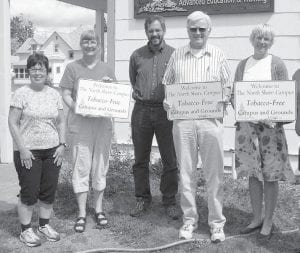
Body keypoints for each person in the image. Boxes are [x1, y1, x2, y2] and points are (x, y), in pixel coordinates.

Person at [162, 11, 231, 242]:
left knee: (215, 174)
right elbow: (167, 83)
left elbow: (228, 86)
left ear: (209, 30)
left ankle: (217, 223)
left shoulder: (219, 55)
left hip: (210, 122)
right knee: (186, 173)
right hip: (183, 122)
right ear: (187, 30)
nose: (198, 33)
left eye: (202, 29)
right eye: (193, 29)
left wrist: (224, 98)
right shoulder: (177, 55)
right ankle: (189, 220)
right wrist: (167, 100)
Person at [234, 24, 294, 240]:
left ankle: (268, 220)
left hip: (270, 130)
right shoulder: (243, 65)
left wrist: (275, 117)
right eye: (258, 38)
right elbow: (236, 95)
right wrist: (242, 109)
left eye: (266, 39)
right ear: (252, 39)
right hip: (247, 129)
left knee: (270, 175)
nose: (262, 42)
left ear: (271, 42)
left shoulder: (277, 64)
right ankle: (256, 217)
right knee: (253, 174)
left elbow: (285, 97)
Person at [60, 30, 116, 233]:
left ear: (98, 45)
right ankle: (82, 212)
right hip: (80, 124)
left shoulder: (107, 69)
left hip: (102, 124)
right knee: (81, 166)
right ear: (81, 45)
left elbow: (115, 98)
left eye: (93, 41)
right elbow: (65, 93)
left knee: (100, 165)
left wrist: (110, 88)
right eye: (85, 41)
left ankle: (99, 209)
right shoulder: (72, 68)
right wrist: (76, 107)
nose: (89, 45)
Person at [8, 53, 65, 247]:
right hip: (28, 152)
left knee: (48, 192)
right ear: (29, 71)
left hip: (52, 152)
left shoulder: (54, 94)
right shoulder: (21, 93)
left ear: (47, 71)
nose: (38, 72)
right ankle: (25, 231)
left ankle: (44, 226)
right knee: (29, 192)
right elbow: (12, 122)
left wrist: (62, 145)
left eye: (41, 68)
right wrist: (22, 149)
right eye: (34, 68)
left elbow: (61, 122)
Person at [129, 15, 179, 219]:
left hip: (166, 112)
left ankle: (169, 200)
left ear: (164, 30)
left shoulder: (175, 55)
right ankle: (142, 198)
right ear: (146, 32)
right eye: (151, 31)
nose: (155, 34)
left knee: (170, 159)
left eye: (158, 30)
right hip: (141, 110)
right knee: (140, 158)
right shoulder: (136, 55)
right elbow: (134, 81)